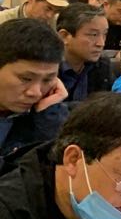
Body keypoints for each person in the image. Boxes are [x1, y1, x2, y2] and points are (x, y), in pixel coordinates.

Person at [0, 20, 71, 161]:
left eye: (47, 80)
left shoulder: (46, 112)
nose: (36, 93)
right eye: (26, 79)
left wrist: (49, 113)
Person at [56, 5, 114, 103]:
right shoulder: (47, 68)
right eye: (93, 35)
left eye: (104, 34)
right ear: (64, 36)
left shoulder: (101, 65)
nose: (101, 43)